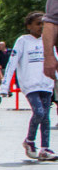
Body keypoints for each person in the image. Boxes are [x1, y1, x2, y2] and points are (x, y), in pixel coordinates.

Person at [8, 11, 54, 160]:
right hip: (30, 84)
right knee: (39, 112)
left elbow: (54, 59)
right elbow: (12, 62)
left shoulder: (47, 40)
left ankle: (45, 149)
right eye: (38, 23)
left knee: (46, 117)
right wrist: (5, 85)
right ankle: (29, 140)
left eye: (43, 23)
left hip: (46, 83)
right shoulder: (23, 41)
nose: (41, 26)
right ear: (29, 26)